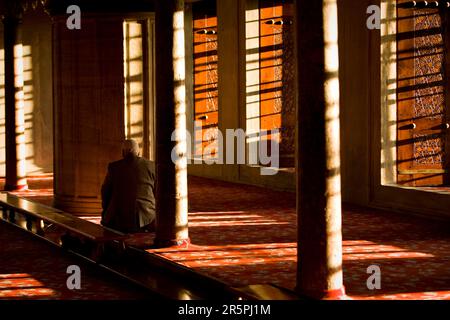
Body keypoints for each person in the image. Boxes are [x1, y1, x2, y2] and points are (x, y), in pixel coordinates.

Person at [101, 139, 156, 233]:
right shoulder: (151, 166)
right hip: (145, 216)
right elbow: (158, 191)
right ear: (139, 152)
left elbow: (105, 192)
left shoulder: (114, 167)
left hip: (118, 217)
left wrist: (106, 211)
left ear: (123, 152)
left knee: (108, 222)